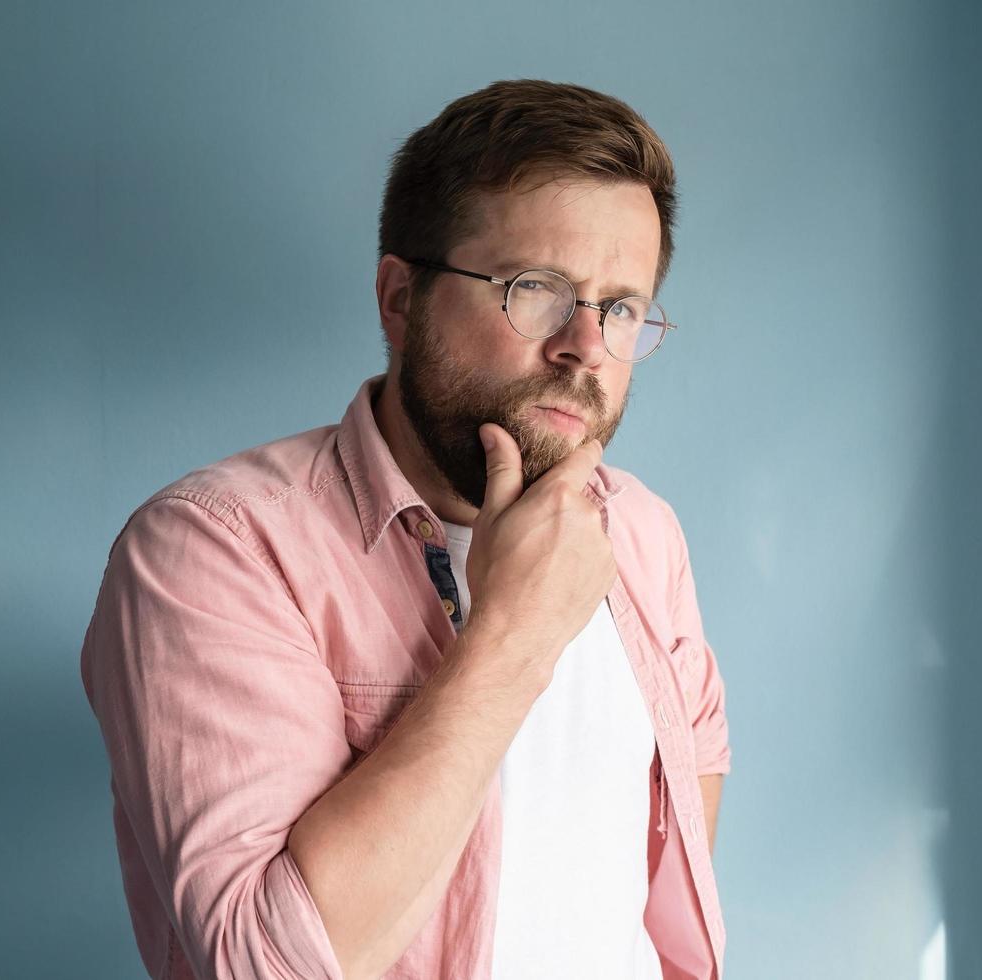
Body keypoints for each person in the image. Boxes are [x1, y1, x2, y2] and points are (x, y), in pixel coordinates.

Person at [80, 78, 732, 980]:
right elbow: (268, 965)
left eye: (621, 307)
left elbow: (690, 780)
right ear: (400, 297)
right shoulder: (214, 548)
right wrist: (514, 632)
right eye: (537, 289)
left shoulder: (644, 534)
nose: (586, 345)